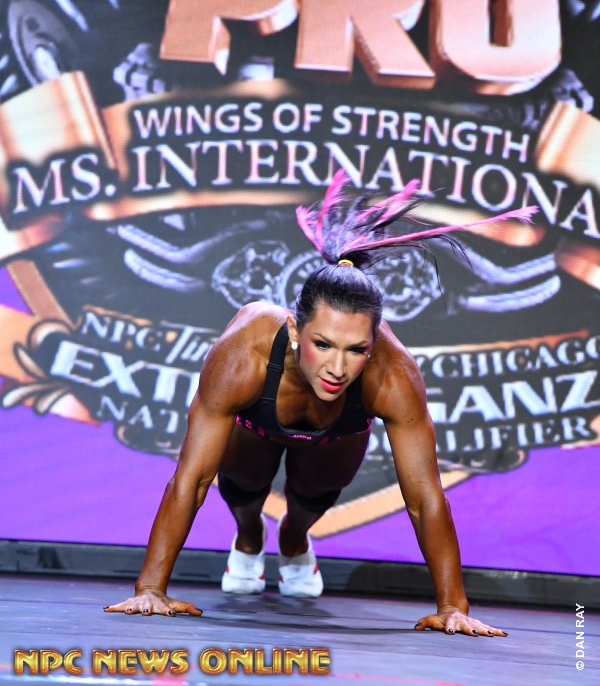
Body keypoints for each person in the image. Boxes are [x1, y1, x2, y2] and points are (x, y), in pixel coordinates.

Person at [105, 174, 535, 635]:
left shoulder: (393, 374)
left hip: (336, 430)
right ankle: (249, 536)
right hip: (257, 424)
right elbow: (191, 480)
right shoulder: (243, 354)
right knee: (243, 486)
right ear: (295, 330)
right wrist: (151, 588)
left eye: (356, 350)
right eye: (323, 344)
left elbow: (424, 498)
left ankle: (294, 538)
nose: (338, 367)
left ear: (373, 344)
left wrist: (453, 606)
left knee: (313, 495)